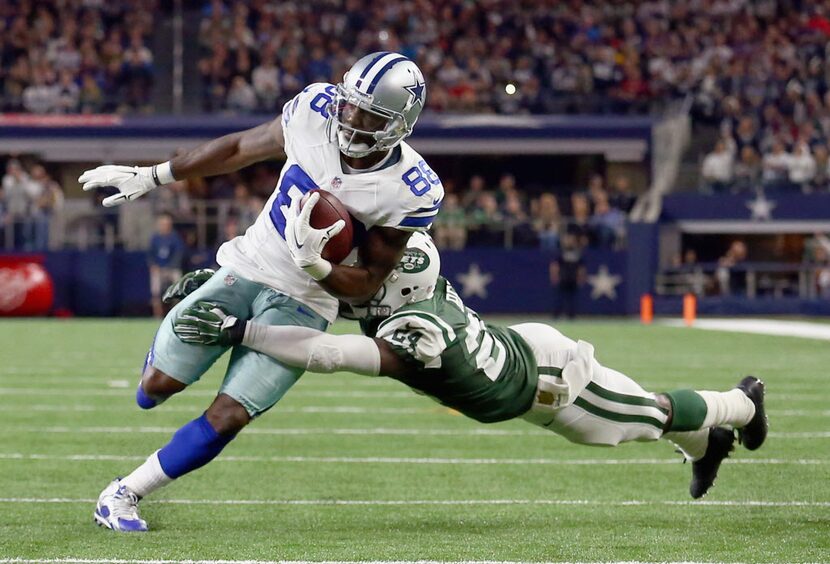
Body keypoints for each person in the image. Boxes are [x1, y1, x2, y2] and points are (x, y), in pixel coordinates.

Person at [79, 52, 441, 532]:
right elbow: (238, 150)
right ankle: (199, 289)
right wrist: (153, 176)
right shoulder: (316, 109)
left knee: (230, 415)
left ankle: (124, 493)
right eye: (350, 106)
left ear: (400, 124)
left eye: (369, 115)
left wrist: (317, 265)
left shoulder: (412, 189)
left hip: (308, 303)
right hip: (248, 265)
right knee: (154, 391)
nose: (351, 119)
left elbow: (370, 280)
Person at [173, 233, 768, 503]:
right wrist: (235, 284)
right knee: (639, 420)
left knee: (641, 417)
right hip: (519, 365)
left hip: (547, 383)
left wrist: (243, 330)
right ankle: (705, 444)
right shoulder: (405, 290)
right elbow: (327, 291)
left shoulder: (415, 328)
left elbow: (331, 353)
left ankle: (741, 404)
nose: (363, 279)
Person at [148, 214, 186, 318]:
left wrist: (170, 267)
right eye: (162, 224)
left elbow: (178, 254)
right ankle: (157, 315)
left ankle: (177, 314)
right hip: (159, 269)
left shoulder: (175, 238)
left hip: (172, 268)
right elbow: (150, 254)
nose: (164, 226)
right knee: (155, 289)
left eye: (166, 224)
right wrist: (154, 265)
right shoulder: (155, 238)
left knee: (178, 286)